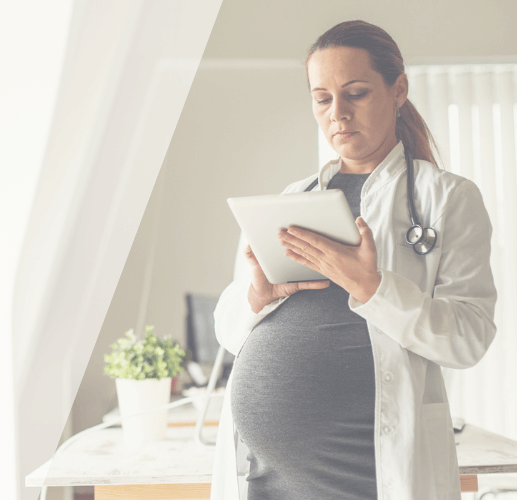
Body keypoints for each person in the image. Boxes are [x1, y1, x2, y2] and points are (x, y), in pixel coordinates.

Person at [210, 20, 498, 500]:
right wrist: (257, 295)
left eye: (356, 93)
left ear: (398, 89)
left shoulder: (447, 199)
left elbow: (468, 338)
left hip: (366, 472)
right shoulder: (291, 199)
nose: (337, 113)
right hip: (266, 477)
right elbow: (227, 328)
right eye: (322, 99)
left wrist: (373, 288)